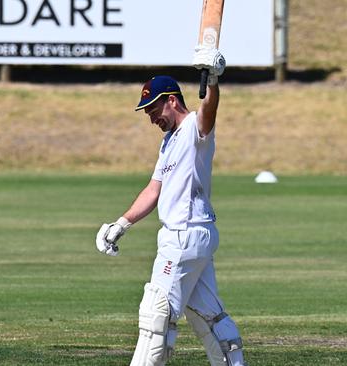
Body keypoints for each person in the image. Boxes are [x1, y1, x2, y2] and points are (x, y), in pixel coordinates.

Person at [94, 47, 246, 366]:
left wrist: (214, 80)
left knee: (155, 316)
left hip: (183, 236)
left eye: (153, 109)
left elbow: (209, 111)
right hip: (195, 236)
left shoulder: (194, 129)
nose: (151, 118)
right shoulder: (169, 141)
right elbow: (154, 189)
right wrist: (120, 224)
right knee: (209, 317)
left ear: (172, 100)